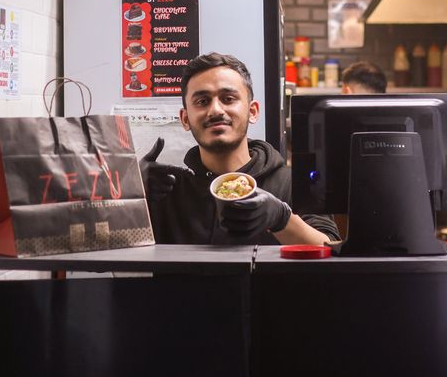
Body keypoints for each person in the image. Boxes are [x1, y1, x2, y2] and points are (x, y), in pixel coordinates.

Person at [141, 52, 340, 246]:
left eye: (228, 99)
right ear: (185, 119)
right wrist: (132, 191)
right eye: (202, 101)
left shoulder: (295, 184)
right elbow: (112, 248)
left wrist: (282, 219)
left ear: (252, 112)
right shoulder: (166, 189)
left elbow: (331, 252)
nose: (216, 110)